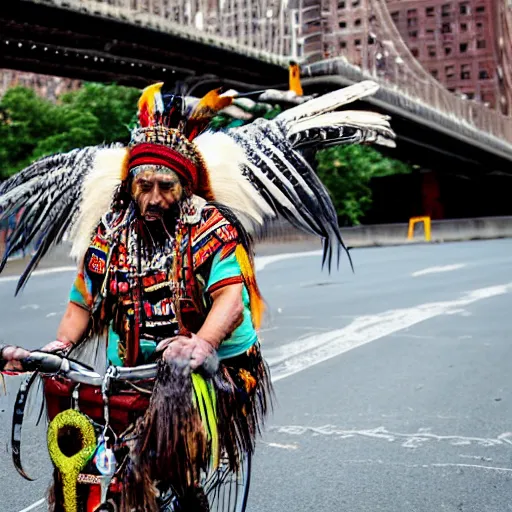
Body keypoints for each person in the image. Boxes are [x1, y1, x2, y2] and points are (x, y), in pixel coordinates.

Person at [0, 78, 395, 511]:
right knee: (86, 462)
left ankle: (188, 495)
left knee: (161, 458)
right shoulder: (109, 233)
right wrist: (59, 347)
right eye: (143, 185)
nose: (152, 199)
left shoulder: (210, 228)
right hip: (129, 372)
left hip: (211, 368)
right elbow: (81, 304)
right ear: (130, 184)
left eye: (165, 186)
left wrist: (201, 344)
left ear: (184, 187)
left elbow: (230, 298)